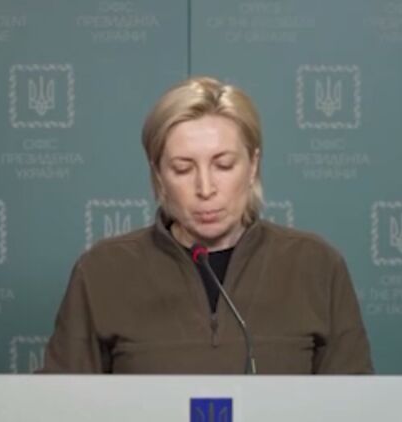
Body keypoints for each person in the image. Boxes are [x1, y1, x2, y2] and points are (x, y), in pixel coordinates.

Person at [42, 76, 373, 374]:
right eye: (183, 169)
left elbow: (356, 405)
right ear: (158, 174)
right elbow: (56, 405)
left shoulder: (317, 265)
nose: (205, 188)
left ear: (253, 165)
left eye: (223, 165)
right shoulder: (102, 270)